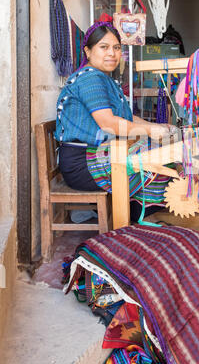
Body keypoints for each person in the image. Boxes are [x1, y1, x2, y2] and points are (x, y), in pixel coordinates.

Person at [55, 21, 175, 221]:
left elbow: (127, 119)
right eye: (104, 47)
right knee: (156, 162)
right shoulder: (89, 79)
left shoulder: (106, 80)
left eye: (116, 48)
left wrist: (158, 127)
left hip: (97, 155)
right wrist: (151, 133)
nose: (112, 53)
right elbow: (109, 123)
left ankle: (126, 213)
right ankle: (128, 215)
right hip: (83, 162)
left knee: (158, 153)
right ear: (88, 51)